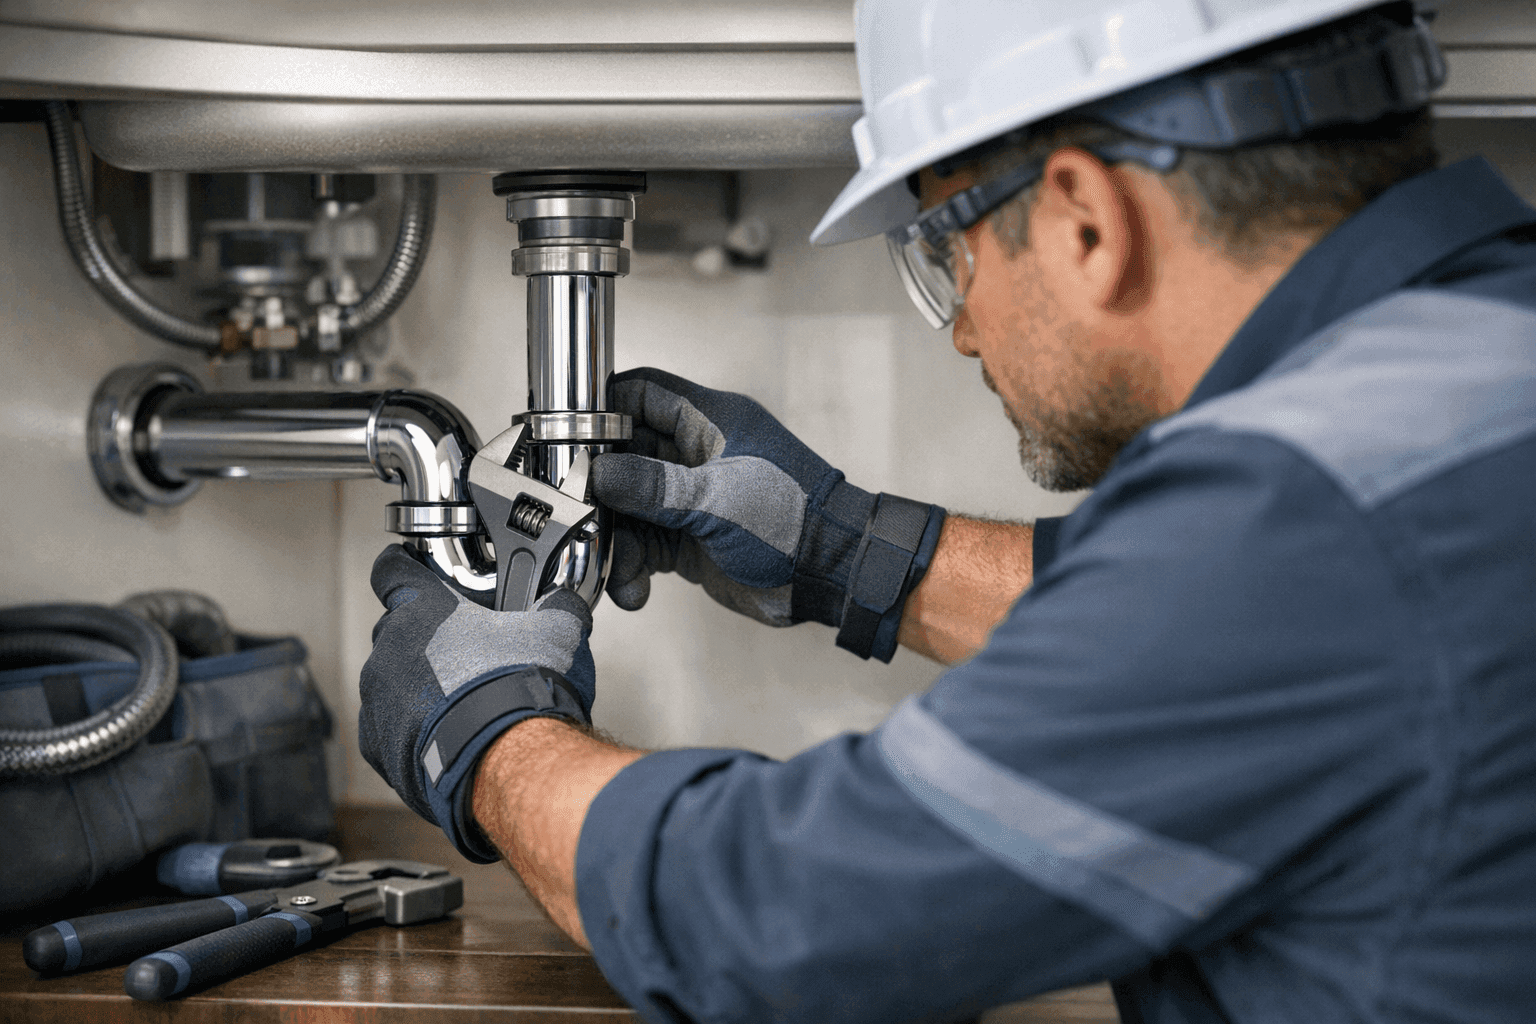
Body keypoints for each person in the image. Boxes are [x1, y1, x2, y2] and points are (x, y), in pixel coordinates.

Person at [357, 1, 1536, 1020]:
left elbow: (787, 923)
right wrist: (850, 550)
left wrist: (489, 732)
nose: (965, 324)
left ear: (1084, 218)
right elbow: (1241, 648)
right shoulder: (1470, 377)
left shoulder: (1304, 517)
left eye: (946, 250)